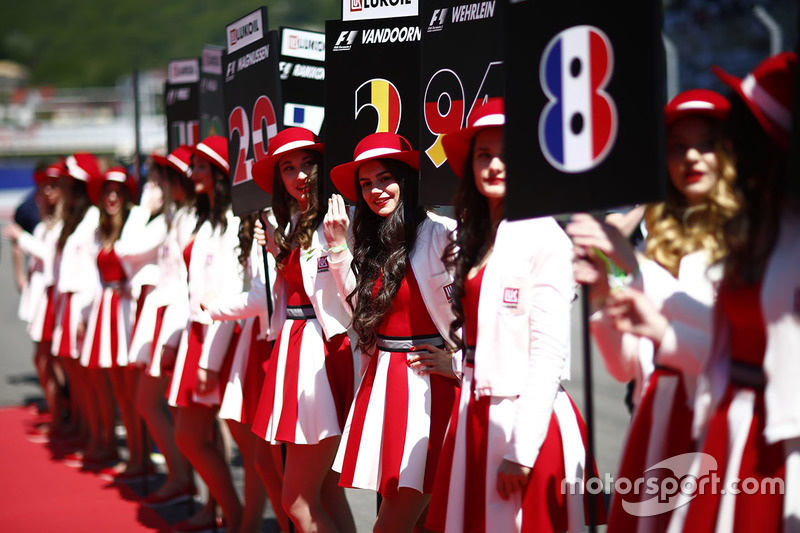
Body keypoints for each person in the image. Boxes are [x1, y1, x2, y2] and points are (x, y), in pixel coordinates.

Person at [424, 98, 601, 532]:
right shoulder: (476, 237)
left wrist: (521, 453)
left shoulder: (546, 236)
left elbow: (548, 353)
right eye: (484, 154)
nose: (495, 164)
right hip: (475, 414)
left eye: (507, 154)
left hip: (525, 421)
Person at [567, 88, 739, 531]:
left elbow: (731, 351)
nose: (691, 157)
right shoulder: (659, 243)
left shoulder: (750, 241)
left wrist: (632, 264)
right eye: (678, 147)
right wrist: (605, 296)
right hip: (653, 426)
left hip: (717, 430)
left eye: (705, 144)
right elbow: (627, 369)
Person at [666, 51, 799, 533]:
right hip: (723, 426)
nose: (728, 151)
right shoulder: (755, 232)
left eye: (741, 138)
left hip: (777, 445)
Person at [326, 132, 459, 532]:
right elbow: (360, 315)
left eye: (385, 179)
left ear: (407, 179)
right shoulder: (367, 240)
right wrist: (337, 251)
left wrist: (458, 360)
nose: (375, 191)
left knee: (399, 523)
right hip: (382, 383)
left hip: (428, 388)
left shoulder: (440, 233)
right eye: (365, 184)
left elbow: (476, 309)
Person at [249, 126, 357, 533]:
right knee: (325, 491)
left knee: (296, 500)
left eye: (308, 163)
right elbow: (297, 287)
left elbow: (346, 297)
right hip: (293, 351)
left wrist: (335, 244)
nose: (299, 175)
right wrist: (279, 253)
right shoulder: (294, 220)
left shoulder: (339, 218)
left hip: (318, 352)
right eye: (288, 167)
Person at [166, 135, 244, 532]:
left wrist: (211, 361)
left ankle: (238, 518)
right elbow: (188, 287)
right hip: (196, 336)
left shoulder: (232, 224)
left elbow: (228, 296)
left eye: (200, 165)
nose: (192, 172)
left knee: (249, 448)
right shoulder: (203, 218)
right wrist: (173, 339)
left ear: (219, 171)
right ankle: (227, 513)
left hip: (224, 339)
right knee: (194, 434)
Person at [132, 147, 196, 507]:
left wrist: (145, 206)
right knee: (158, 403)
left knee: (189, 414)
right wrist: (146, 205)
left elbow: (131, 249)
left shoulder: (188, 218)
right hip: (164, 318)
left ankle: (185, 481)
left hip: (180, 320)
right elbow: (130, 246)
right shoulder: (172, 216)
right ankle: (181, 478)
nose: (159, 183)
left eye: (165, 176)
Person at [79, 166, 151, 474]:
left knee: (132, 391)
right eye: (107, 192)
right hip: (105, 308)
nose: (111, 197)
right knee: (119, 390)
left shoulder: (133, 224)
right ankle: (132, 455)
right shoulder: (100, 228)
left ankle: (141, 457)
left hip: (125, 310)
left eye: (117, 192)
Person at [3, 161, 67, 438]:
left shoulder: (66, 219)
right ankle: (62, 418)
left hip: (56, 297)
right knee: (46, 361)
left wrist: (22, 238)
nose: (47, 190)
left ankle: (63, 419)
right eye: (44, 185)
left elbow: (50, 256)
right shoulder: (42, 215)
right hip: (43, 298)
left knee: (52, 360)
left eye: (53, 185)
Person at [51, 153, 103, 464]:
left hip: (84, 304)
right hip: (68, 303)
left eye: (70, 184)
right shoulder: (72, 217)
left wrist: (83, 312)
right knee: (79, 379)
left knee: (93, 381)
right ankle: (88, 435)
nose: (65, 189)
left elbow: (92, 271)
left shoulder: (94, 217)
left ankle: (102, 441)